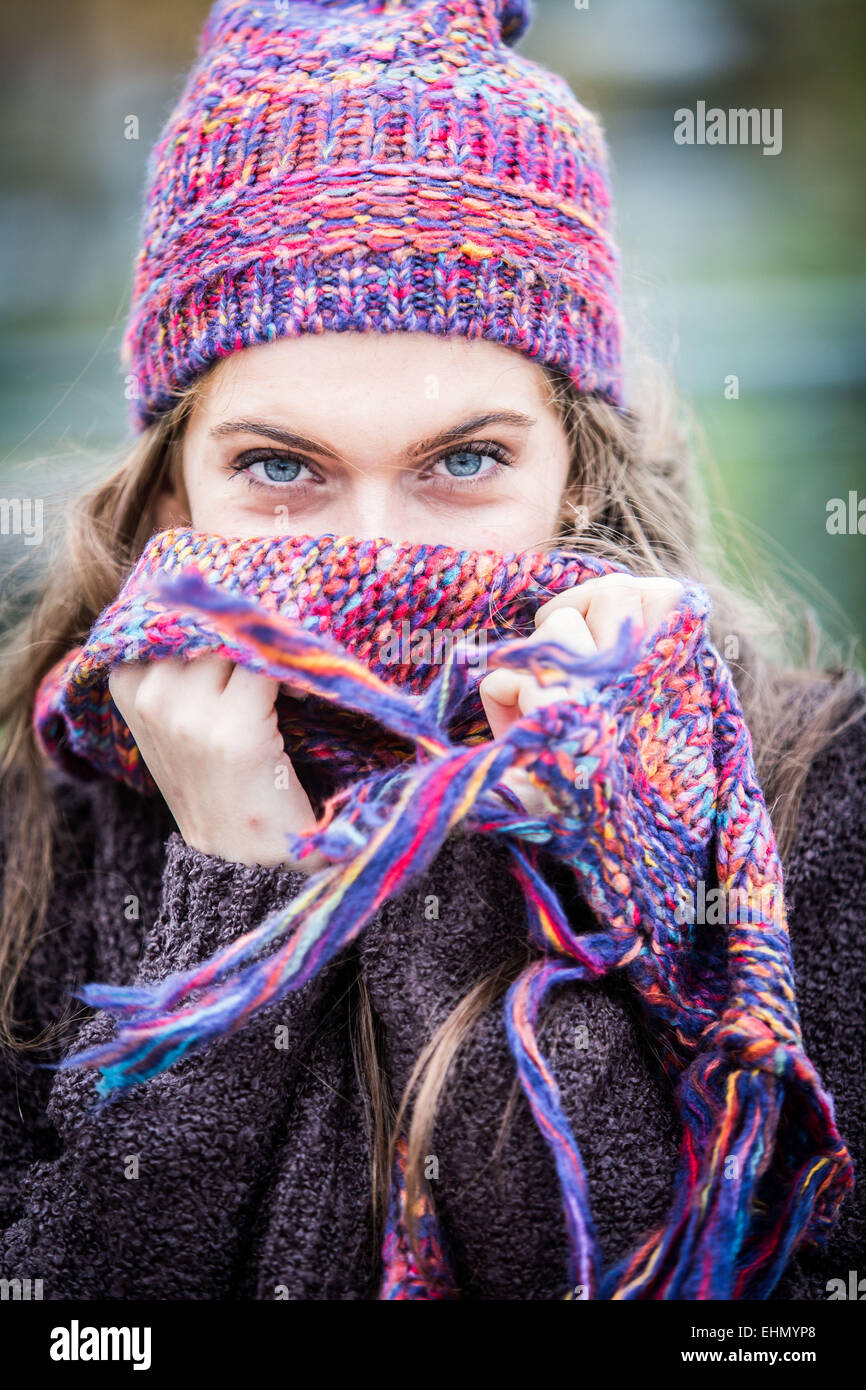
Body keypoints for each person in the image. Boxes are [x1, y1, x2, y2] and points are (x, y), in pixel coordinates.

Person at [0, 0, 863, 1301]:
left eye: (463, 459)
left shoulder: (813, 793)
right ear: (174, 493)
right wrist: (233, 860)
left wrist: (471, 823)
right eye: (279, 466)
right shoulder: (40, 824)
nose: (375, 544)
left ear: (574, 472)